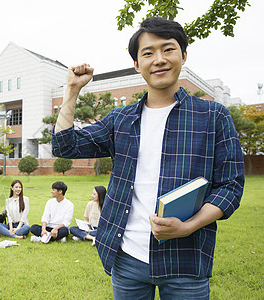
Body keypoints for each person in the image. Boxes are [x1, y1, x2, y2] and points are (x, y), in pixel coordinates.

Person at [52, 17, 244, 299]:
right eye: (148, 53)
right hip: (127, 257)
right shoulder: (121, 119)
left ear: (184, 55)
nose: (159, 59)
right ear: (136, 64)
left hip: (186, 259)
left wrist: (187, 226)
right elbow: (64, 145)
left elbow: (231, 187)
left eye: (168, 49)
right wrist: (71, 91)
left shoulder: (213, 116)